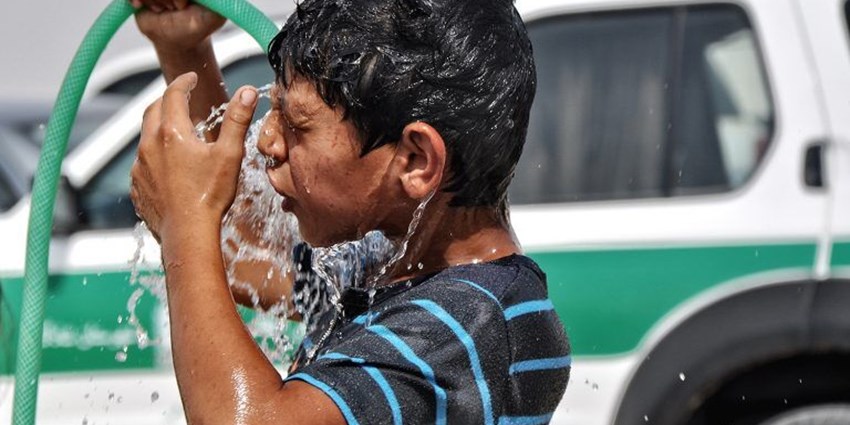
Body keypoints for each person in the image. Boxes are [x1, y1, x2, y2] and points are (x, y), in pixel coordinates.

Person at [128, 0, 571, 423]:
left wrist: (185, 220)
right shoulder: (390, 265)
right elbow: (243, 255)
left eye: (297, 125)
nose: (267, 141)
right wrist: (185, 51)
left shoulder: (470, 326)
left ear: (416, 161)